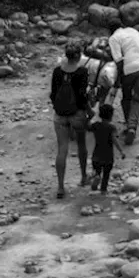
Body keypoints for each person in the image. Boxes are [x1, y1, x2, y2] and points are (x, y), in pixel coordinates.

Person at [50, 41, 92, 198]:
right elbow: (82, 96)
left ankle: (60, 187)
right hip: (77, 115)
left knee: (62, 149)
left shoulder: (57, 71)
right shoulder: (82, 72)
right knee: (81, 145)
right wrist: (88, 111)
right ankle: (83, 177)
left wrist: (58, 108)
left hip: (59, 116)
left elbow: (53, 94)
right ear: (79, 56)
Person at [109, 11, 139, 145]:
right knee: (138, 99)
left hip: (129, 70)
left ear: (110, 30)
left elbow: (119, 61)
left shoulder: (114, 38)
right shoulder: (132, 30)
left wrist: (118, 79)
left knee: (126, 98)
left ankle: (129, 126)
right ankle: (132, 127)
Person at [89, 104, 126, 193]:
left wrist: (89, 117)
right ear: (111, 116)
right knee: (106, 174)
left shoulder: (96, 125)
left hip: (96, 154)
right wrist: (121, 151)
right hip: (108, 156)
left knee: (97, 169)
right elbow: (114, 140)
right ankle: (103, 189)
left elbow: (87, 127)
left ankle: (97, 176)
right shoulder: (111, 127)